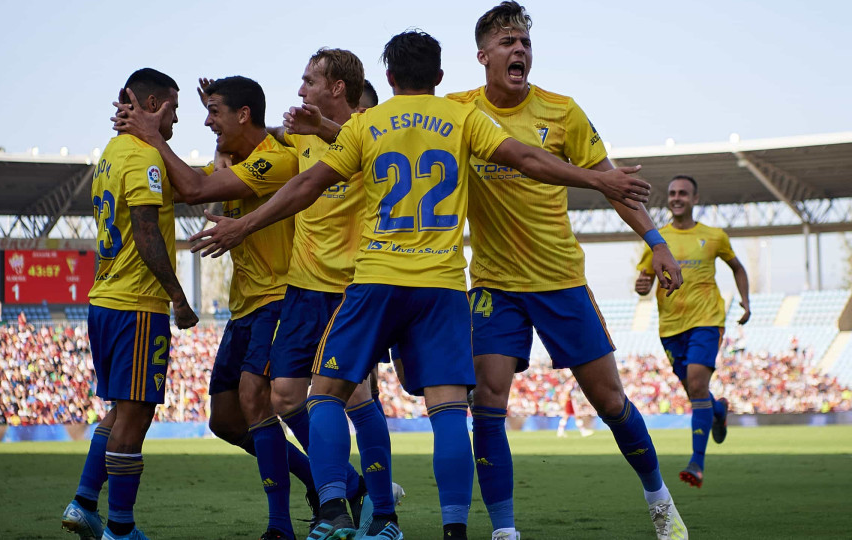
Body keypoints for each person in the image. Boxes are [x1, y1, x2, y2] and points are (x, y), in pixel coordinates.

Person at [190, 30, 653, 540]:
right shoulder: (462, 118)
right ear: (438, 77)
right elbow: (528, 159)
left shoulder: (369, 124)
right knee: (449, 408)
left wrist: (242, 225)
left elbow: (305, 185)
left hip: (375, 281)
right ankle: (453, 528)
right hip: (441, 286)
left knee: (323, 396)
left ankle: (336, 512)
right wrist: (599, 179)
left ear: (388, 79)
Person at [445, 3, 687, 539]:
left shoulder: (564, 111)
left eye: (526, 42)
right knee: (487, 400)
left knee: (610, 401)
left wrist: (657, 243)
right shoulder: (457, 111)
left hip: (560, 280)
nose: (520, 50)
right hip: (494, 284)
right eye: (508, 41)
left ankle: (659, 498)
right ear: (483, 55)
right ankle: (505, 530)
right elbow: (395, 133)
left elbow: (616, 186)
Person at [113, 76, 305, 540]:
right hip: (244, 306)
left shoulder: (275, 160)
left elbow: (196, 190)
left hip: (277, 298)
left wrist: (153, 133)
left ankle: (285, 521)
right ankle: (335, 485)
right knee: (223, 419)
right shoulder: (236, 161)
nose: (205, 120)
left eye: (214, 111)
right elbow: (180, 186)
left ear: (244, 115)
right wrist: (144, 147)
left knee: (257, 400)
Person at [61, 67, 198, 540]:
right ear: (155, 104)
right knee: (135, 416)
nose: (178, 119)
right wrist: (178, 297)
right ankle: (120, 529)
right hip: (137, 305)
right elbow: (145, 232)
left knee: (120, 411)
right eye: (174, 109)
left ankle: (83, 502)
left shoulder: (111, 153)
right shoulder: (143, 156)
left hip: (105, 300)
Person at [267, 49, 398, 537]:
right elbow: (265, 141)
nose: (300, 90)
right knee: (284, 397)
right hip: (303, 288)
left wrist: (319, 126)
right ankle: (347, 484)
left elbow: (352, 144)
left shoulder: (369, 133)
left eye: (308, 81)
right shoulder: (300, 135)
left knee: (356, 396)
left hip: (351, 288)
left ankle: (376, 513)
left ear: (336, 87)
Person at [635, 174, 749, 488]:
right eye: (672, 193)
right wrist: (641, 286)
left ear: (695, 199)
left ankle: (696, 465)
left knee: (698, 382)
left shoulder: (714, 236)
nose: (676, 197)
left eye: (683, 193)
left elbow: (738, 267)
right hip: (671, 326)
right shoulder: (655, 238)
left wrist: (745, 300)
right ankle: (717, 409)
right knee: (695, 392)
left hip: (707, 319)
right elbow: (644, 280)